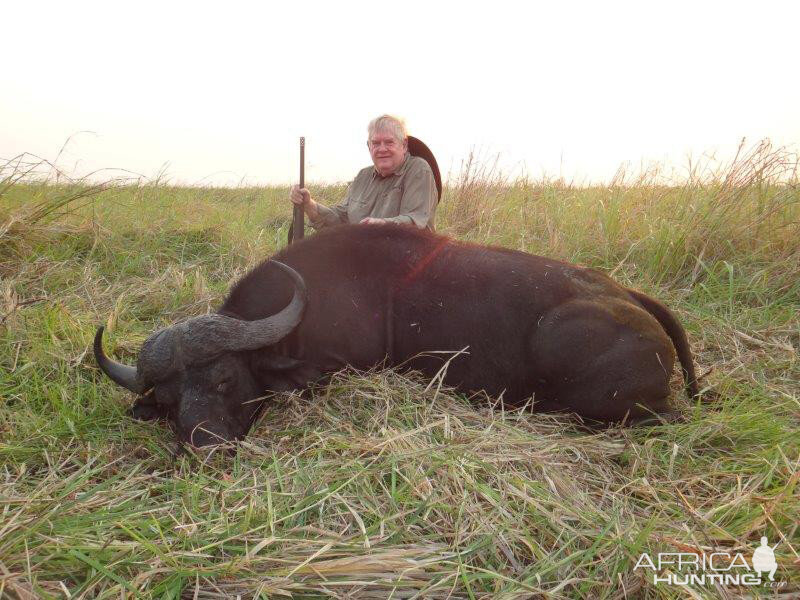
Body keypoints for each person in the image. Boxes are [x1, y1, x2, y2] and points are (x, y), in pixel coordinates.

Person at [289, 115, 437, 231]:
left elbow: (415, 222)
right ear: (369, 146)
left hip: (408, 263)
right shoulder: (362, 176)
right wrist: (309, 204)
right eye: (376, 143)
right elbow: (342, 219)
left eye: (389, 142)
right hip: (364, 257)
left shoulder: (418, 169)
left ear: (404, 146)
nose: (382, 149)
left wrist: (382, 225)